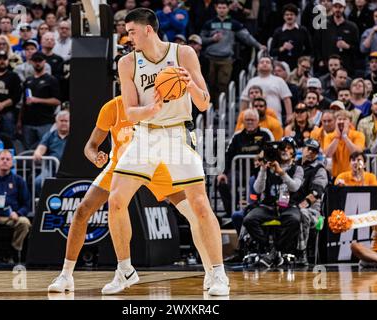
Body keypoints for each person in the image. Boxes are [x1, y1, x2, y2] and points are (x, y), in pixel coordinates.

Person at [106, 8, 229, 296]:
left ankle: (218, 274)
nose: (128, 37)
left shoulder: (183, 54)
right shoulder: (127, 63)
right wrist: (150, 109)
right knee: (116, 200)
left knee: (199, 205)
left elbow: (204, 103)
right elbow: (131, 112)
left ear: (148, 29)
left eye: (132, 31)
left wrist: (189, 85)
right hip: (145, 134)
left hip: (177, 133)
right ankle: (125, 269)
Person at [48, 96, 212, 293]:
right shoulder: (112, 108)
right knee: (82, 210)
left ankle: (212, 273)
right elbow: (90, 146)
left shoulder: (158, 103)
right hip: (120, 166)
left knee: (194, 215)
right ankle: (67, 276)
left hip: (156, 166)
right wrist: (96, 157)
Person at [243, 137, 304, 268]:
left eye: (289, 148)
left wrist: (281, 173)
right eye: (282, 148)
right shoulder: (268, 165)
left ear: (294, 152)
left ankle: (275, 251)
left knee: (294, 220)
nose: (285, 151)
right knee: (249, 219)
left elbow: (294, 187)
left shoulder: (298, 169)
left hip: (288, 206)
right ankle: (269, 248)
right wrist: (263, 170)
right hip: (268, 206)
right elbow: (257, 189)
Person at [217, 108, 273, 218]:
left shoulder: (266, 134)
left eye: (252, 120)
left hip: (260, 172)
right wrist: (223, 173)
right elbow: (228, 155)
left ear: (258, 121)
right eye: (247, 120)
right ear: (243, 121)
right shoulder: (237, 136)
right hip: (240, 172)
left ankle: (261, 211)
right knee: (222, 183)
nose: (250, 122)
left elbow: (271, 152)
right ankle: (232, 212)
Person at [0, 150, 31, 263]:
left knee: (24, 222)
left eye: (8, 159)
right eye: (2, 159)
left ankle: (14, 251)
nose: (5, 161)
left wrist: (18, 213)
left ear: (12, 163)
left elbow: (26, 204)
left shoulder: (19, 181)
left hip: (11, 217)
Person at [294, 139, 329, 266]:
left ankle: (301, 253)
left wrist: (299, 206)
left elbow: (316, 194)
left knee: (301, 213)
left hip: (312, 211)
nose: (310, 152)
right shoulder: (293, 166)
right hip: (291, 206)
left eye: (314, 151)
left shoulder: (319, 170)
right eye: (308, 149)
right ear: (302, 149)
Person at [18, 51, 61, 149]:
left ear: (44, 62)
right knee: (27, 150)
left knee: (45, 148)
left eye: (40, 61)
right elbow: (23, 103)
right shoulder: (28, 80)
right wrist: (19, 121)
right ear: (31, 62)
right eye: (35, 61)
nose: (37, 63)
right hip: (28, 122)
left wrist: (37, 100)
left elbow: (57, 101)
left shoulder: (51, 80)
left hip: (45, 122)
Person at [240, 56, 293, 124]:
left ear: (272, 67)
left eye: (267, 62)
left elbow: (286, 99)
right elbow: (245, 99)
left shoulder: (279, 80)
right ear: (258, 66)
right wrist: (242, 115)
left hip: (274, 118)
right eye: (262, 62)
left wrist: (289, 115)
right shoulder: (252, 81)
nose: (264, 64)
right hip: (254, 119)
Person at [324, 109, 365, 178]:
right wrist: (337, 137)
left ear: (350, 122)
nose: (341, 121)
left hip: (354, 174)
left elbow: (357, 153)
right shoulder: (330, 137)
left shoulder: (358, 135)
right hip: (336, 176)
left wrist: (345, 136)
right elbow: (328, 154)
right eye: (339, 119)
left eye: (345, 119)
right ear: (335, 122)